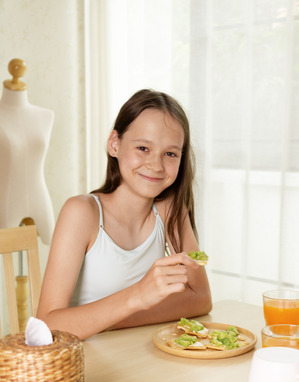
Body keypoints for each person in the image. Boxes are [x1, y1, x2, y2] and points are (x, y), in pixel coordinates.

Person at [37, 89, 212, 339]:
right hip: (83, 365)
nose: (156, 165)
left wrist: (114, 318)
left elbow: (201, 299)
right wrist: (139, 295)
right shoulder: (82, 213)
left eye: (170, 153)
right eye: (143, 147)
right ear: (115, 144)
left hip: (137, 358)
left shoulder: (169, 209)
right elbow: (46, 326)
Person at [0, 58, 55, 245]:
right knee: (7, 259)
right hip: (6, 200)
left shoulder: (45, 115)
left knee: (48, 248)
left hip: (40, 196)